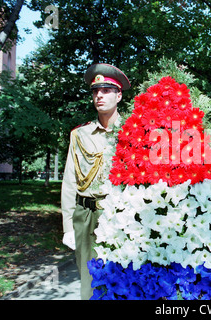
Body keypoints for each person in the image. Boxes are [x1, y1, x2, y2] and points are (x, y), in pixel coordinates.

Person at [61, 63, 130, 299]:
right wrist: (68, 225)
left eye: (106, 90)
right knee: (89, 284)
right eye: (95, 91)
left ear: (119, 95)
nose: (99, 95)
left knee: (123, 282)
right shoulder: (80, 135)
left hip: (121, 216)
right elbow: (70, 181)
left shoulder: (132, 132)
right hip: (86, 216)